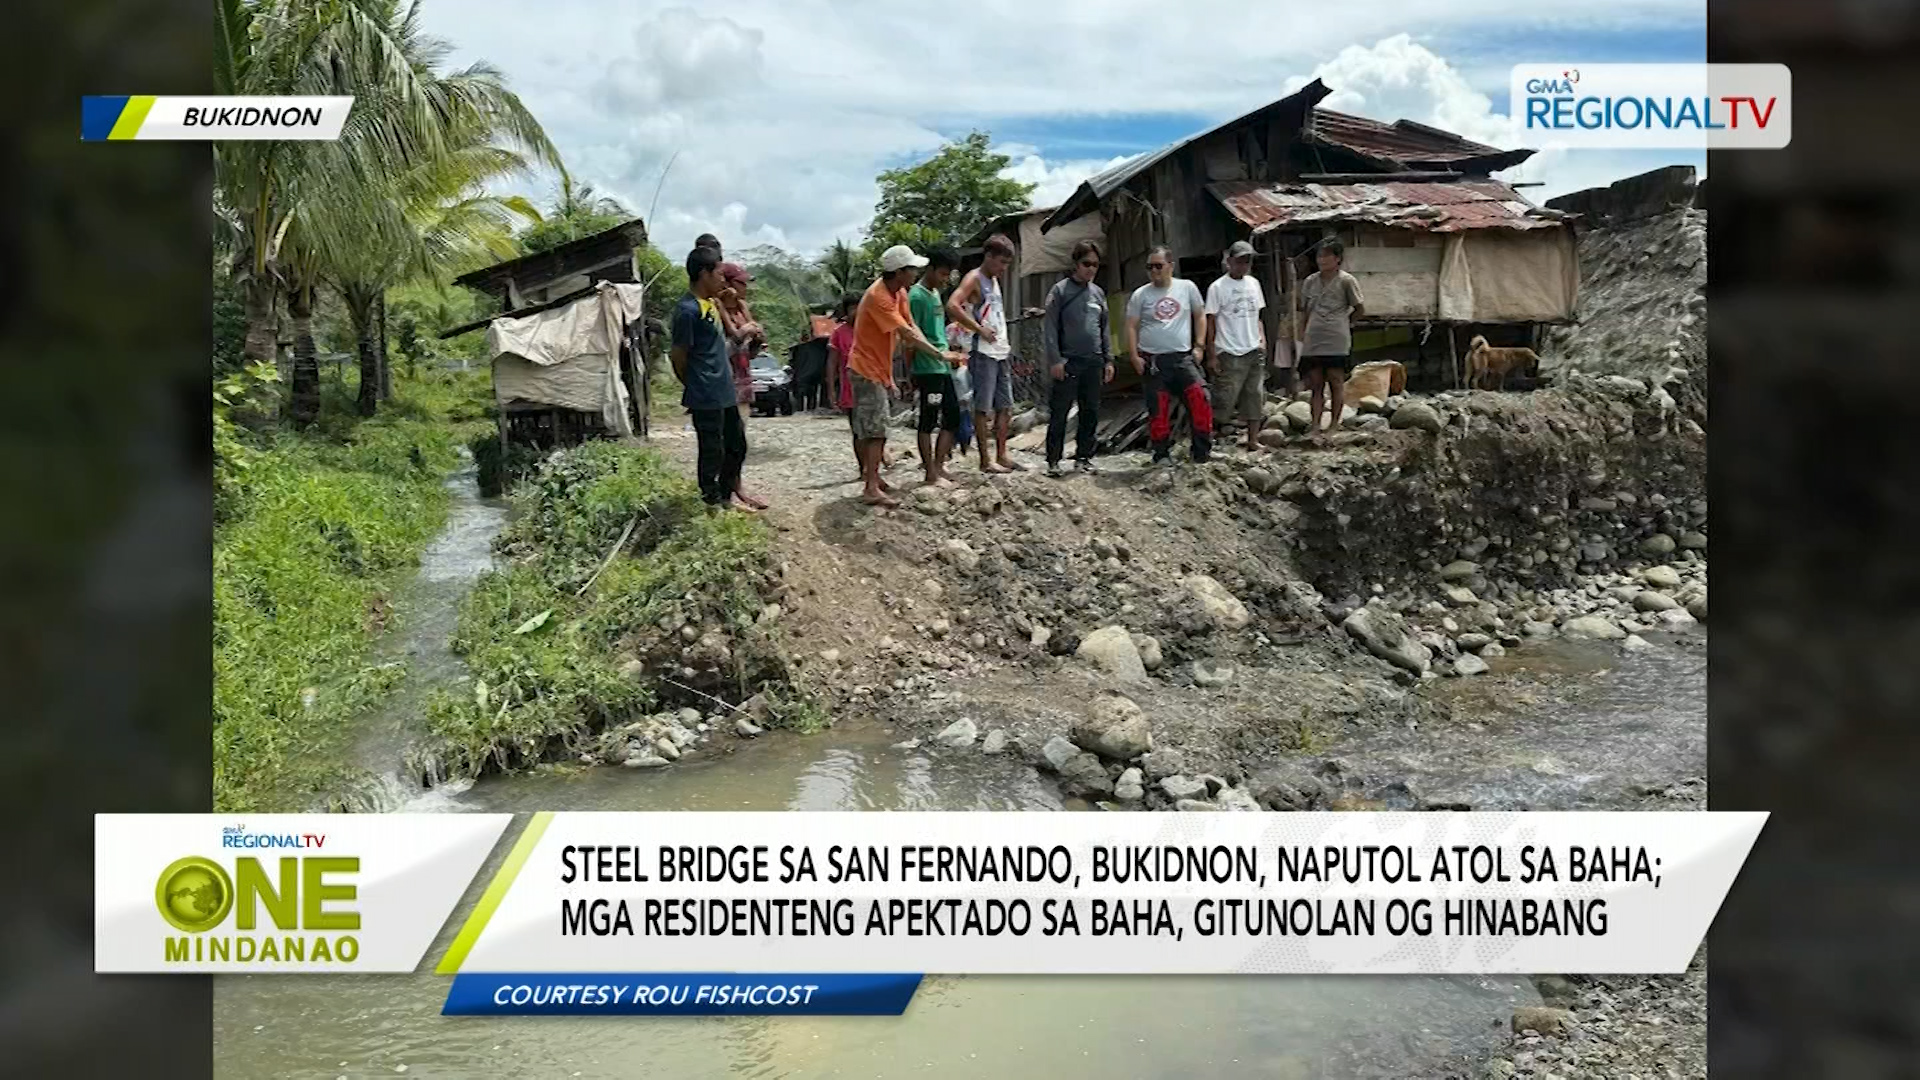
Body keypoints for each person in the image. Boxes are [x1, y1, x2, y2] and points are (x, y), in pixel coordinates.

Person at [847, 245, 953, 507]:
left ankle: (873, 478)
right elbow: (907, 334)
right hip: (865, 368)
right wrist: (940, 355)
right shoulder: (879, 297)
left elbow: (911, 327)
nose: (916, 273)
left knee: (875, 427)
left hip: (877, 368)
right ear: (899, 272)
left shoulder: (900, 293)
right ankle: (871, 486)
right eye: (912, 269)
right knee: (876, 430)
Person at [670, 245, 753, 511]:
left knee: (736, 446)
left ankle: (726, 497)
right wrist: (694, 384)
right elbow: (679, 356)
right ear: (704, 273)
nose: (722, 279)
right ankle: (711, 503)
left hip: (724, 391)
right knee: (711, 451)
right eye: (718, 273)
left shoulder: (711, 304)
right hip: (705, 394)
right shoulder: (687, 310)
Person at [1126, 245, 1212, 465]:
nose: (1154, 271)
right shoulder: (1140, 295)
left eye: (1158, 266)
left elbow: (1200, 316)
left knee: (1200, 398)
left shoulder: (1187, 288)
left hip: (1182, 358)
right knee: (1158, 409)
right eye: (1149, 267)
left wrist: (1200, 346)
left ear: (1170, 266)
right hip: (1153, 361)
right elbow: (1131, 326)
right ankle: (1161, 455)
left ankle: (1201, 453)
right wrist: (1134, 355)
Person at [946, 232, 1024, 473]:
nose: (1003, 268)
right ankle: (985, 460)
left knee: (1006, 406)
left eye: (1007, 264)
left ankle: (1002, 454)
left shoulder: (995, 280)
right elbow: (952, 305)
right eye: (1001, 262)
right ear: (989, 256)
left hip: (1001, 350)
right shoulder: (975, 278)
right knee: (983, 407)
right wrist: (978, 329)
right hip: (983, 352)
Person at [1041, 239, 1113, 477]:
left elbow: (1104, 328)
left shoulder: (1098, 293)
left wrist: (1108, 359)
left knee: (1090, 410)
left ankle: (1084, 458)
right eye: (1086, 263)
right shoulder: (1060, 291)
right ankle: (1053, 461)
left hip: (1094, 361)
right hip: (1068, 361)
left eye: (1095, 264)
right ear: (1076, 263)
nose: (1090, 269)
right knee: (1060, 412)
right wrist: (1055, 360)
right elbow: (1050, 327)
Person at [906, 248, 970, 487]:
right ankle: (930, 473)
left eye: (949, 275)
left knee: (952, 416)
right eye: (943, 273)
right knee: (929, 418)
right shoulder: (916, 296)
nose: (945, 279)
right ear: (930, 268)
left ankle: (939, 466)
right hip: (927, 370)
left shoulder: (934, 294)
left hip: (942, 367)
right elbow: (910, 336)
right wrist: (911, 370)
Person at [1297, 238, 1366, 438]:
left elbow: (1359, 308)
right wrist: (1304, 332)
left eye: (1327, 255)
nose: (1322, 259)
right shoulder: (1310, 282)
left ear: (1337, 259)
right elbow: (1305, 311)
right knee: (1316, 382)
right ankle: (1315, 426)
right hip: (1314, 337)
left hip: (1336, 337)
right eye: (1320, 255)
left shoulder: (1346, 281)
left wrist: (1346, 323)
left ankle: (1334, 425)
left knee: (1336, 381)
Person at [1206, 239, 1270, 452]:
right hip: (1229, 350)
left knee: (1255, 395)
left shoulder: (1254, 284)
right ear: (1229, 261)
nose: (1244, 265)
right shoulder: (1217, 287)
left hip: (1253, 348)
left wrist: (1262, 340)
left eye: (1248, 261)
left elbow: (1258, 316)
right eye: (1240, 260)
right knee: (1224, 399)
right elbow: (1211, 322)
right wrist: (1212, 354)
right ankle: (1210, 440)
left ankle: (1253, 439)